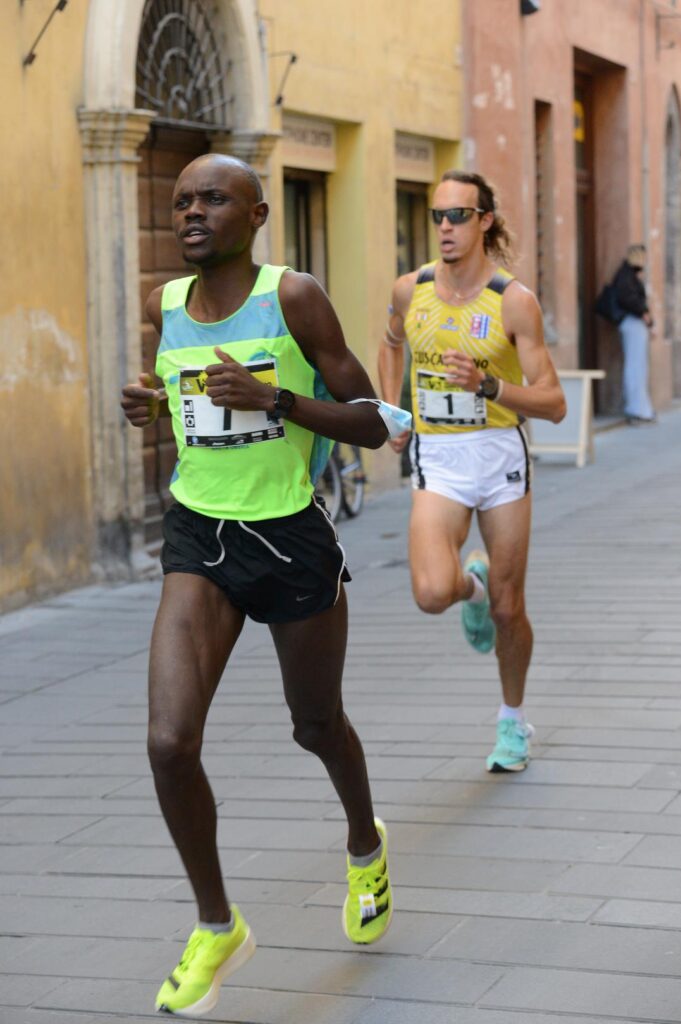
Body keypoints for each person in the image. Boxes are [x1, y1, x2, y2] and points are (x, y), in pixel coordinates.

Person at [121, 153, 395, 1018]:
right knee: (169, 742)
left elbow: (377, 424)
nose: (190, 213)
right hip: (199, 534)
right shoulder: (162, 306)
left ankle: (364, 843)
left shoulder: (294, 297)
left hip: (289, 537)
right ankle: (216, 926)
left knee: (315, 725)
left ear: (257, 212)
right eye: (181, 202)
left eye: (211, 199)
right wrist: (153, 405)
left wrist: (279, 401)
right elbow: (182, 397)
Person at [378, 169, 566, 773]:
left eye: (458, 216)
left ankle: (512, 722)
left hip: (499, 456)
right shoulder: (412, 291)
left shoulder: (513, 300)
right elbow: (389, 341)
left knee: (512, 608)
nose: (445, 228)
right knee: (433, 591)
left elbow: (554, 402)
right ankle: (471, 589)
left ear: (485, 221)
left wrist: (488, 384)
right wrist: (393, 411)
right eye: (437, 216)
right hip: (439, 456)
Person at [613, 244, 656, 424]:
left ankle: (642, 408)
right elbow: (629, 299)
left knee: (639, 367)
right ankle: (636, 409)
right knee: (635, 366)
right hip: (632, 323)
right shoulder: (626, 276)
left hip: (634, 324)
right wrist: (645, 315)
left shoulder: (630, 275)